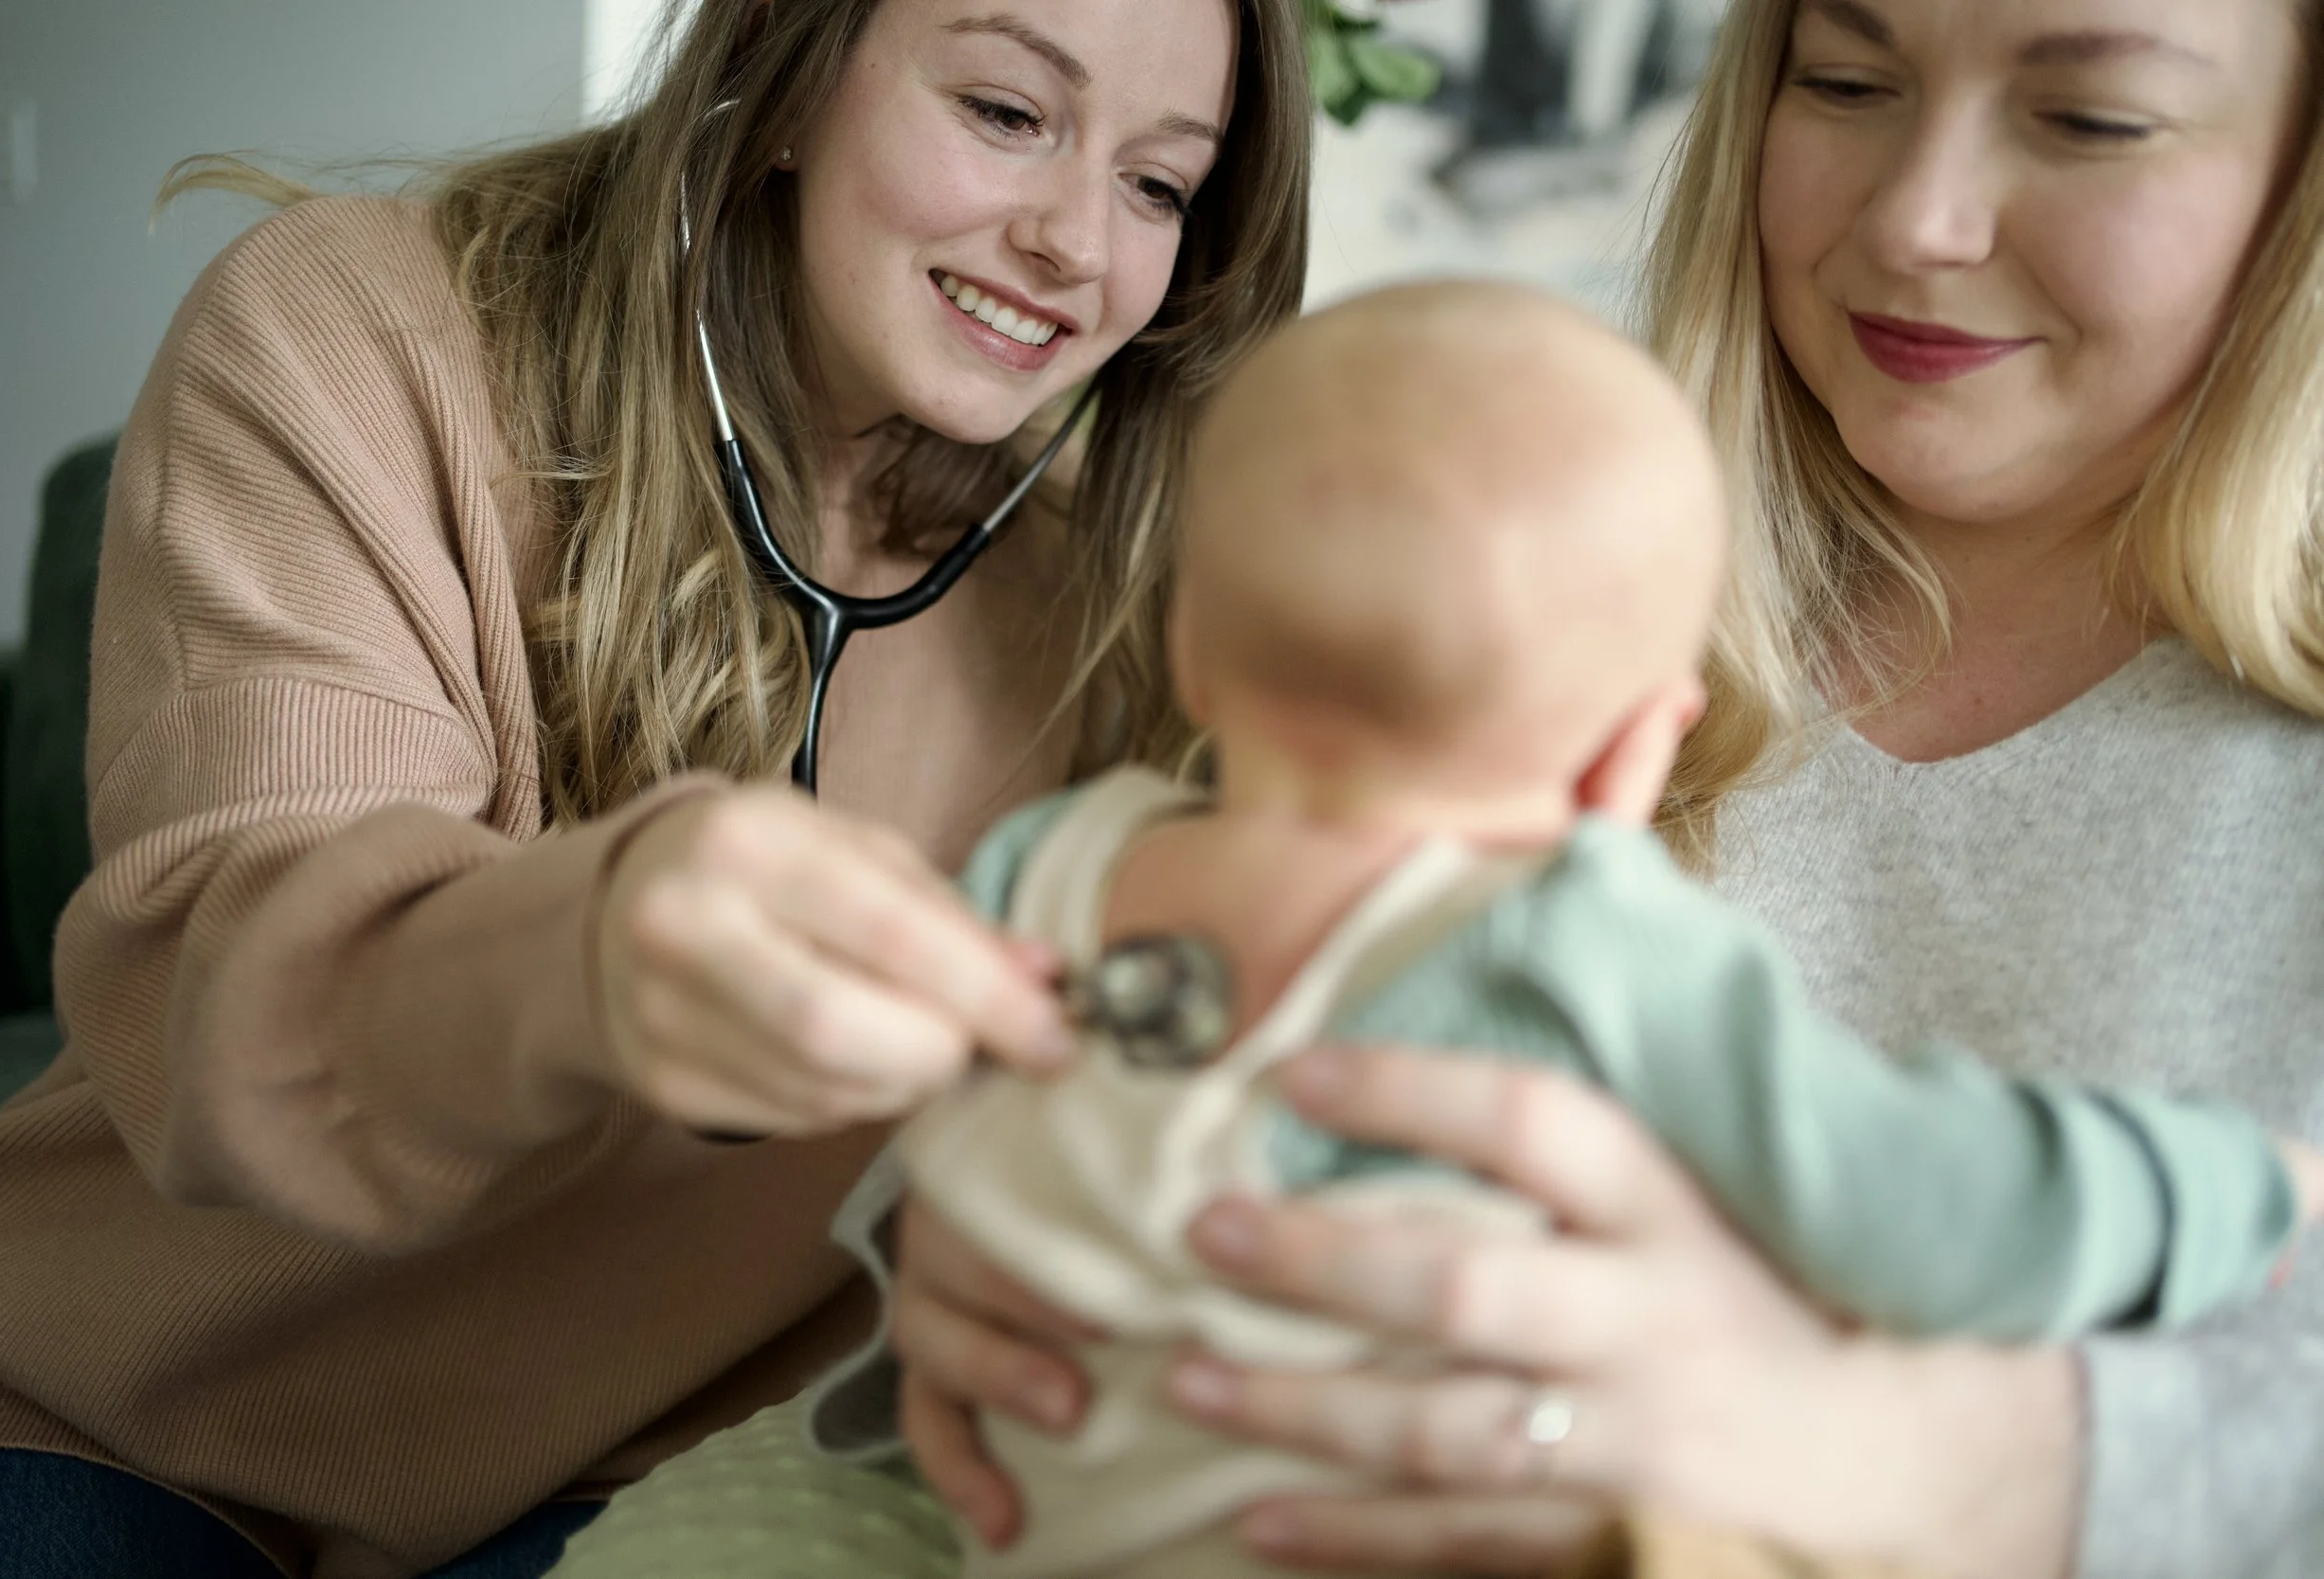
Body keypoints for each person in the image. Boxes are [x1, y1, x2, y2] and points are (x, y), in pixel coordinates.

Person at [544, 282, 2322, 1579]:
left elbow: (943, 1128)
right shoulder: (1580, 935)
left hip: (1023, 1502)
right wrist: (2229, 1192)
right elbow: (1924, 1203)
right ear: (1645, 741)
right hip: (1358, 1522)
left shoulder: (1062, 864)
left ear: (1194, 667)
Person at [890, 1, 2324, 1577]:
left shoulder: (1095, 840)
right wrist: (944, 1268)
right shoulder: (1528, 590)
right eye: (1844, 83)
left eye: (2092, 120)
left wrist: (1909, 1454)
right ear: (1631, 741)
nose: (1920, 222)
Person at [0, 1, 1312, 1574]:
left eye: (1160, 185)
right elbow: (224, 986)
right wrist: (594, 949)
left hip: (669, 1484)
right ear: (786, 68)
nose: (1079, 242)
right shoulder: (357, 333)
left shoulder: (1120, 608)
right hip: (141, 1427)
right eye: (1009, 112)